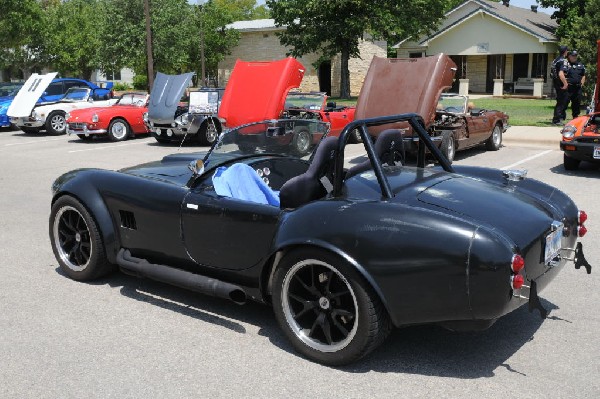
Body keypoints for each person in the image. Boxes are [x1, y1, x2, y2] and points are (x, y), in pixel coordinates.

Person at [564, 50, 586, 119]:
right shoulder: (566, 65)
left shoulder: (580, 65)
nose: (575, 57)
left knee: (576, 103)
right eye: (573, 56)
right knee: (564, 102)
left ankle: (575, 117)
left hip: (577, 88)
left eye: (575, 55)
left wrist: (582, 83)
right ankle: (561, 117)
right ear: (569, 56)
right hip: (568, 87)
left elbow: (583, 75)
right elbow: (562, 74)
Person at [551, 45, 569, 124]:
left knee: (560, 100)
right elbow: (561, 73)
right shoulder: (563, 60)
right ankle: (557, 120)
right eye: (567, 51)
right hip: (560, 83)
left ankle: (558, 118)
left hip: (556, 82)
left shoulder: (555, 60)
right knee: (562, 101)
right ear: (565, 51)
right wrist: (565, 84)